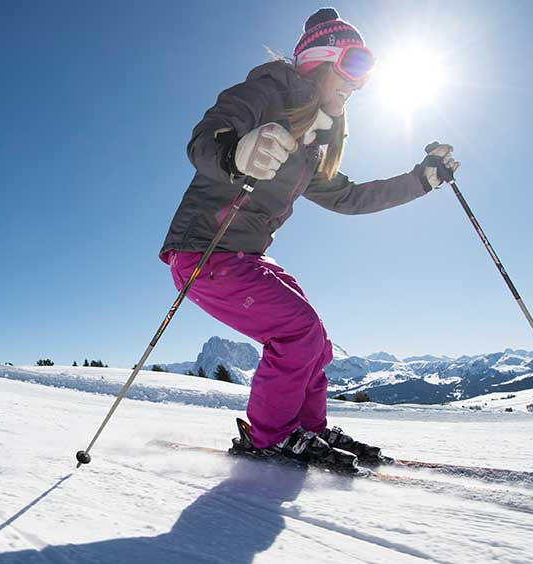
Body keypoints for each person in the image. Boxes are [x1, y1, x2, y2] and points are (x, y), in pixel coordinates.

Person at [159, 8, 460, 470]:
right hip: (203, 251)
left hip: (245, 255)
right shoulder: (266, 91)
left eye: (368, 73)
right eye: (356, 65)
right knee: (295, 329)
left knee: (315, 340)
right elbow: (205, 139)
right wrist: (235, 152)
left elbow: (349, 197)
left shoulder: (310, 144)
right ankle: (268, 437)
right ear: (320, 59)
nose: (360, 83)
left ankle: (307, 427)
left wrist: (421, 180)